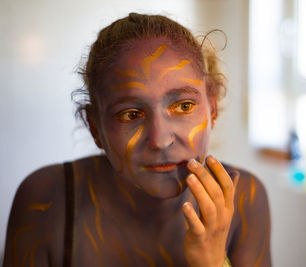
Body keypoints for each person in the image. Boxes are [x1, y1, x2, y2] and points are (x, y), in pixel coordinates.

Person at [3, 13, 271, 267]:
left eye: (184, 106)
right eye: (131, 114)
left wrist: (212, 261)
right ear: (94, 128)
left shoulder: (243, 198)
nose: (161, 140)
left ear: (212, 108)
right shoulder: (48, 199)